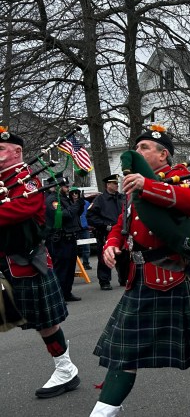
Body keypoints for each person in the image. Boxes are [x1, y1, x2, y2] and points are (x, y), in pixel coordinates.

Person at [90, 125, 190, 417]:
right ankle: (104, 410)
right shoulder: (134, 184)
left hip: (176, 275)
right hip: (140, 277)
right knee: (122, 349)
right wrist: (113, 243)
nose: (137, 152)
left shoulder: (185, 177)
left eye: (144, 148)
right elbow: (123, 221)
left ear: (162, 154)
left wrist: (147, 185)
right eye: (137, 147)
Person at [0, 127, 81, 398]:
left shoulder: (27, 177)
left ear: (17, 152)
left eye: (0, 149)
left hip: (24, 262)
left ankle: (65, 369)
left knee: (45, 322)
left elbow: (24, 208)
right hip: (4, 261)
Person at [45, 174, 85, 302]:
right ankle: (59, 296)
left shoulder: (64, 198)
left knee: (70, 268)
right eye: (64, 186)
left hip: (70, 237)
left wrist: (79, 204)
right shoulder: (52, 200)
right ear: (57, 186)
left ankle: (67, 292)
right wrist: (75, 205)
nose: (67, 188)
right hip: (60, 239)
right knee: (61, 268)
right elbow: (63, 215)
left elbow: (74, 215)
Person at [87, 174, 126, 290]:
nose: (117, 185)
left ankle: (124, 278)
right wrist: (105, 225)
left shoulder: (122, 198)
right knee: (105, 257)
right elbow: (90, 216)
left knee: (123, 257)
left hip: (121, 232)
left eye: (117, 183)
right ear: (108, 185)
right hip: (106, 233)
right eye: (114, 184)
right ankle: (104, 281)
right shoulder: (100, 199)